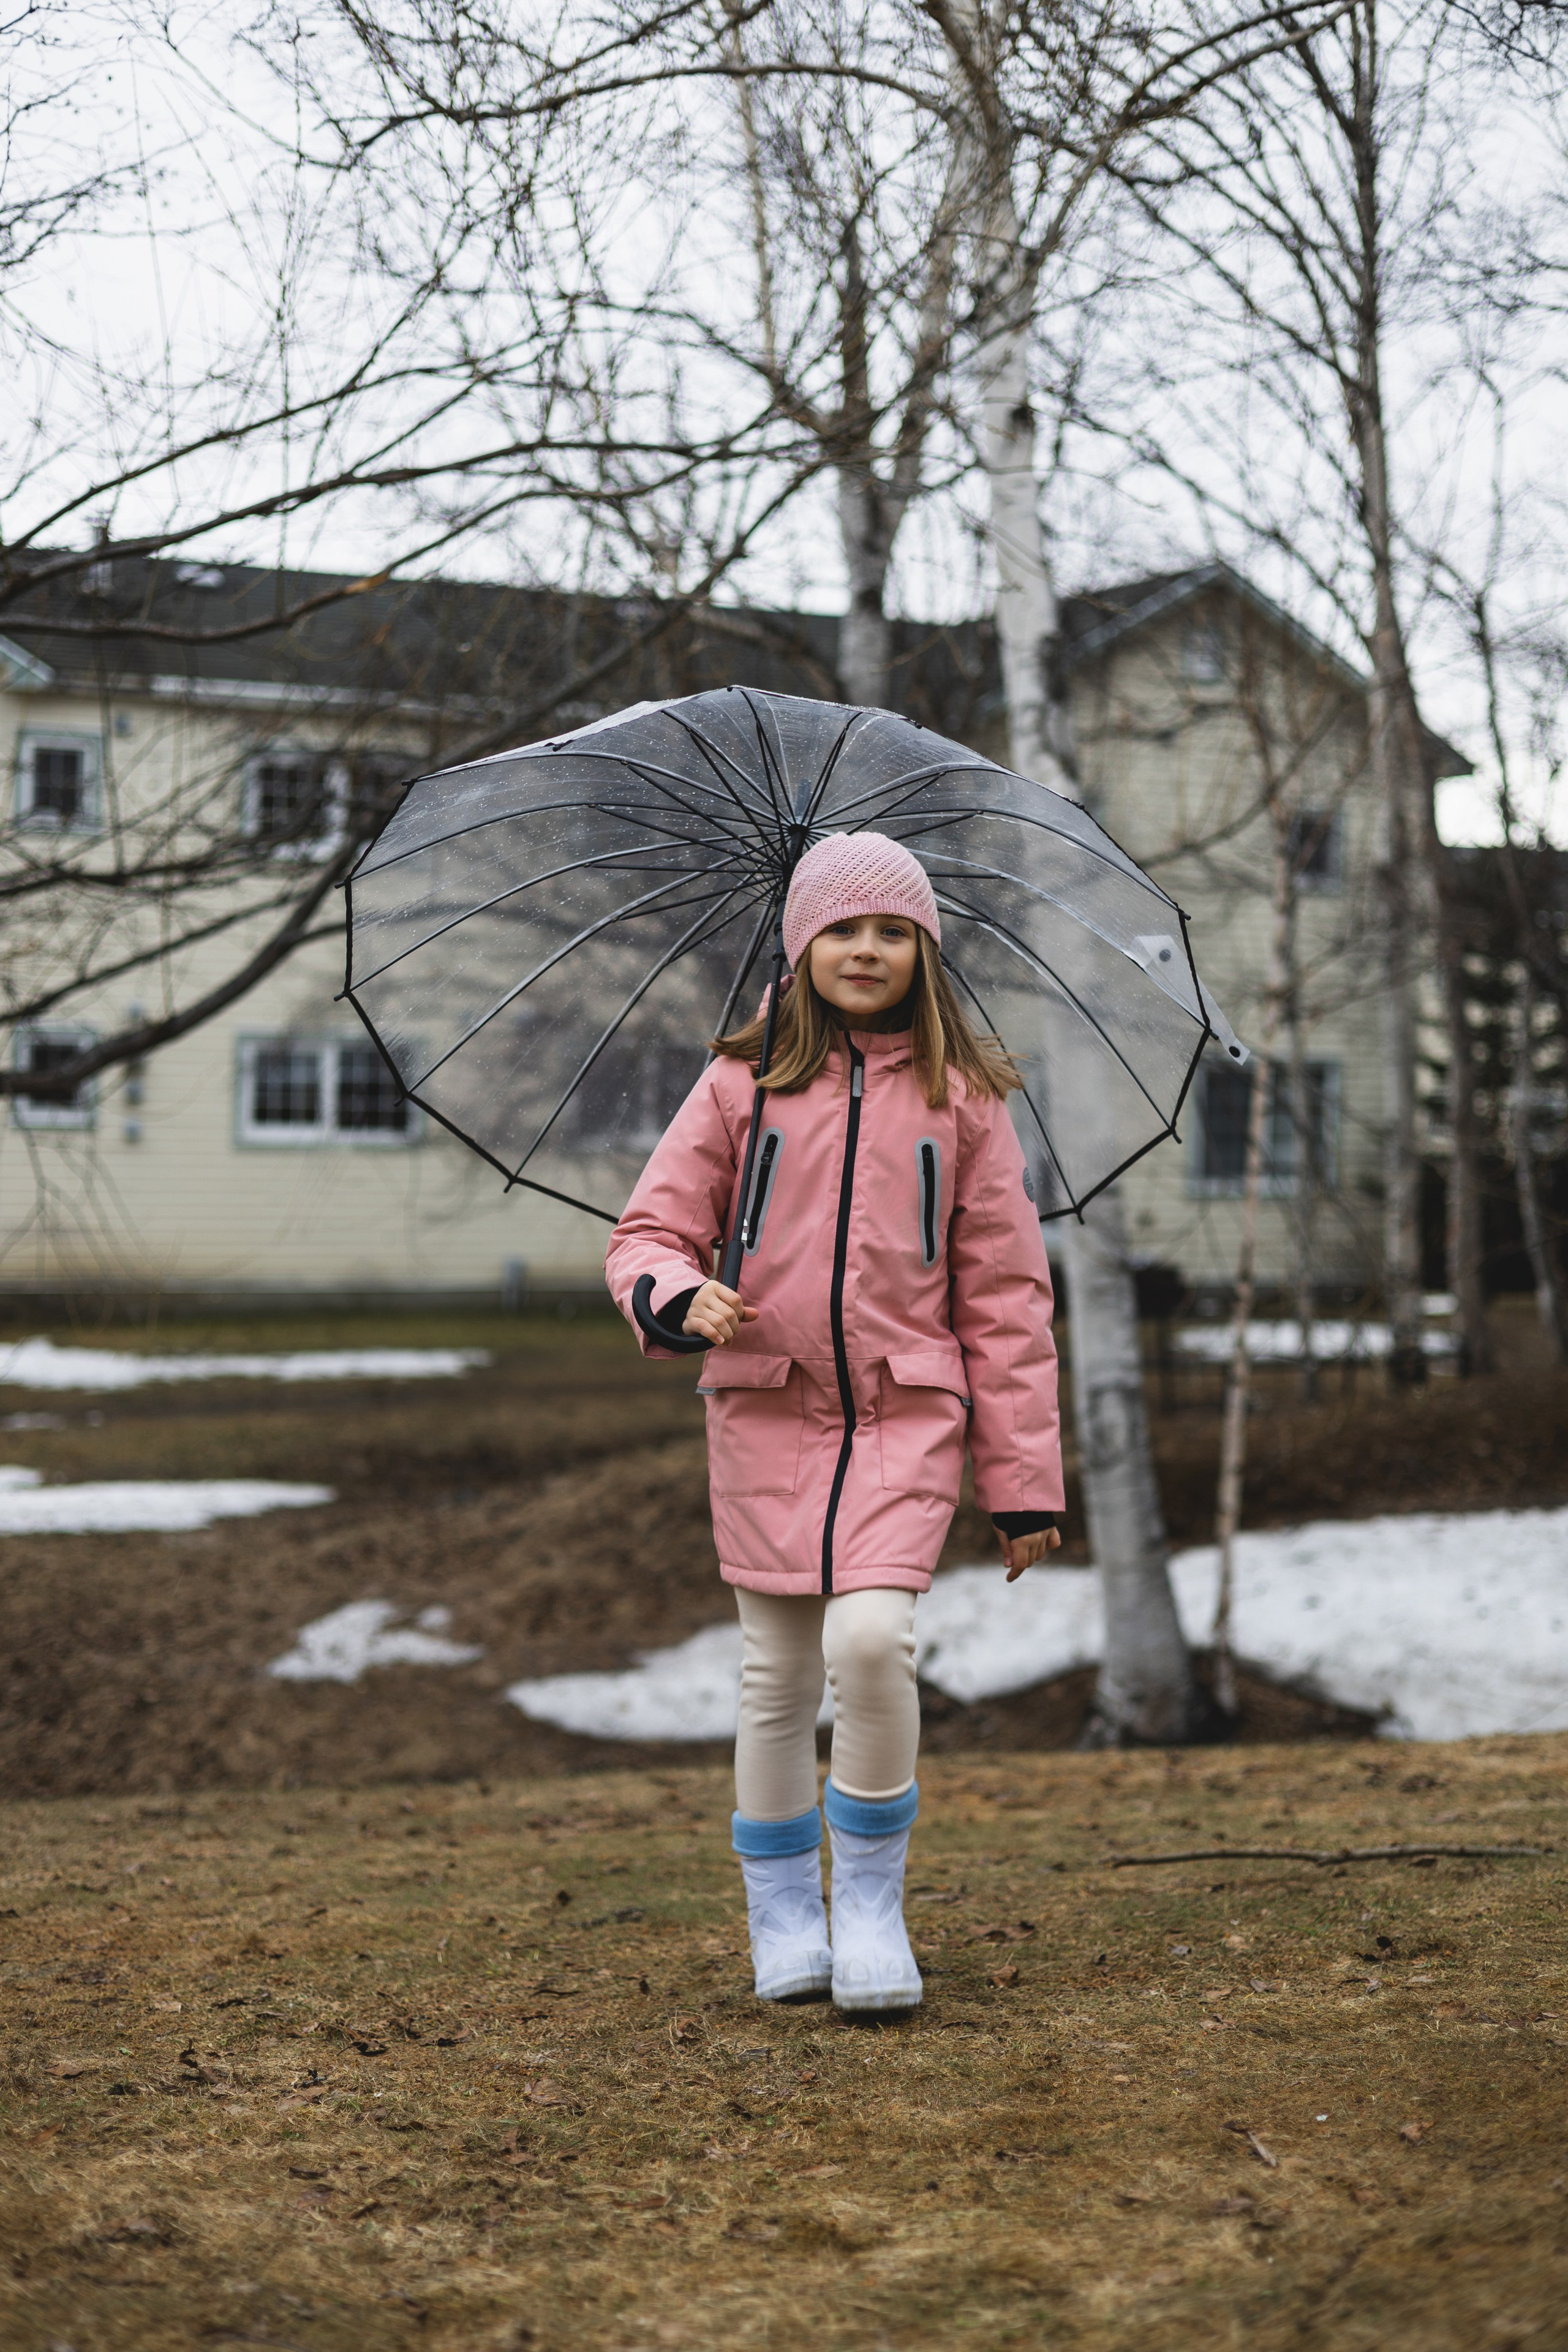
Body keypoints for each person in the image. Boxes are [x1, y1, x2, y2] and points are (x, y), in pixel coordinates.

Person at [605, 831, 1063, 2013]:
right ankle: (780, 1918)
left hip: (908, 1412)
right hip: (765, 1403)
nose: (869, 950)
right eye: (845, 929)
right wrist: (674, 1294)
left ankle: (868, 1906)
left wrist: (1023, 1480)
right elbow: (645, 1235)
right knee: (776, 1675)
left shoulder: (963, 1100)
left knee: (870, 1645)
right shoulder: (738, 1083)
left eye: (894, 931)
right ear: (804, 947)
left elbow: (1006, 1297)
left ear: (925, 950)